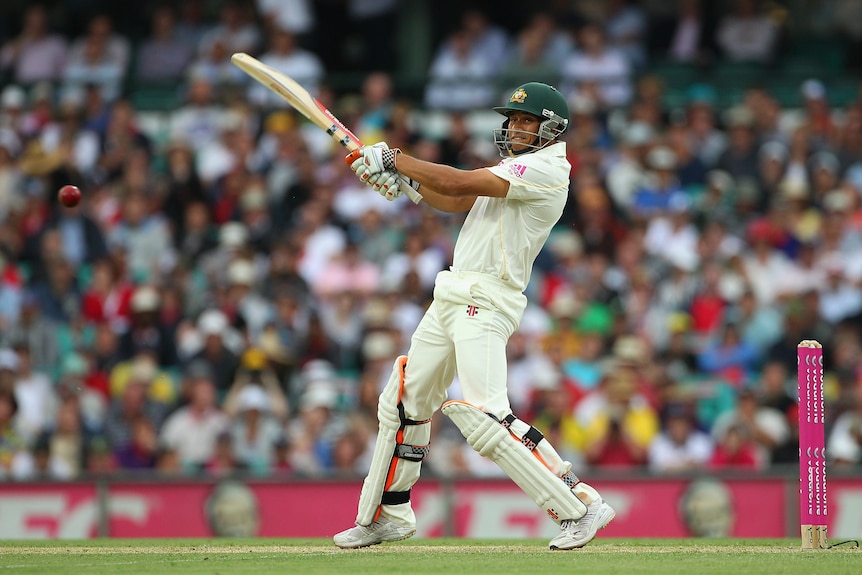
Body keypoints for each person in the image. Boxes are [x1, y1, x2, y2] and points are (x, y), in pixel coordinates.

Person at [333, 82, 614, 550]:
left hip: (486, 298)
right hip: (453, 291)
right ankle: (387, 514)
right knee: (404, 403)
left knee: (486, 418)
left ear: (553, 128)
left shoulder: (548, 167)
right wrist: (405, 183)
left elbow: (461, 182)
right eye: (514, 119)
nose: (516, 127)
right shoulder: (512, 168)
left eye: (528, 120)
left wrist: (396, 159)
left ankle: (579, 504)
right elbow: (457, 200)